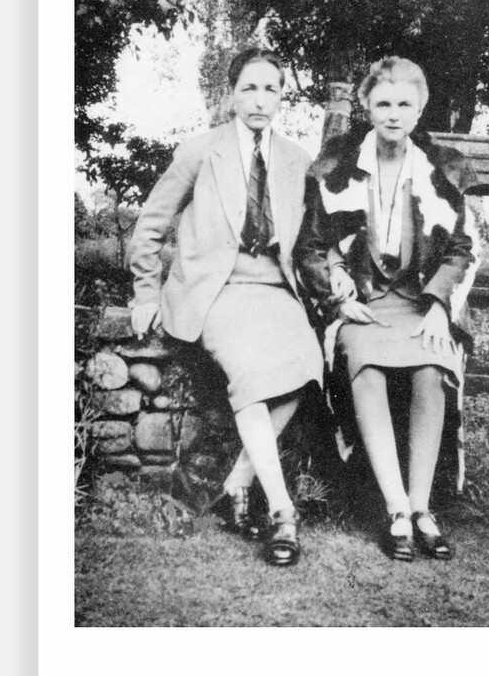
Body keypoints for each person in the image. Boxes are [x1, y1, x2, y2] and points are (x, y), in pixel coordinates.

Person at [129, 47, 340, 567]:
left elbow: (320, 238)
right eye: (249, 87)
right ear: (231, 94)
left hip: (275, 288)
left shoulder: (296, 160)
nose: (260, 99)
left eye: (271, 89)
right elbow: (152, 224)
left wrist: (336, 278)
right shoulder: (202, 151)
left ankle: (239, 479)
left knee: (308, 368)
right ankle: (282, 513)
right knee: (249, 372)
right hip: (217, 289)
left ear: (282, 97)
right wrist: (145, 293)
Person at [305, 56, 480, 561]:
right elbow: (311, 246)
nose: (394, 113)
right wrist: (338, 294)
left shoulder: (442, 170)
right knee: (366, 367)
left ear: (420, 108)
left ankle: (424, 508)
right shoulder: (336, 166)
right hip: (363, 303)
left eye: (405, 103)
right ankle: (397, 511)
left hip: (420, 301)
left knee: (432, 367)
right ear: (367, 107)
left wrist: (439, 308)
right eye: (383, 103)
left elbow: (462, 250)